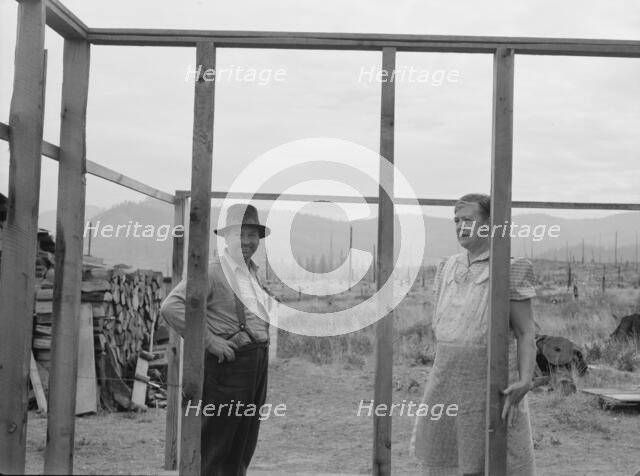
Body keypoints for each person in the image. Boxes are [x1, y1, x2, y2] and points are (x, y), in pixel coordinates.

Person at [411, 193, 537, 476]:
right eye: (456, 220)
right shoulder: (447, 267)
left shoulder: (510, 267)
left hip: (490, 385)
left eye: (468, 219)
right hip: (446, 380)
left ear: (490, 223)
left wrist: (526, 380)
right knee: (445, 458)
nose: (460, 226)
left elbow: (526, 331)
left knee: (496, 457)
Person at [161, 203, 275, 476]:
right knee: (218, 444)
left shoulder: (254, 272)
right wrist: (209, 342)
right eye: (240, 235)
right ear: (226, 237)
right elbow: (171, 307)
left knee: (243, 442)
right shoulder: (212, 271)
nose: (247, 242)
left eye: (252, 235)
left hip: (254, 365)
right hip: (229, 368)